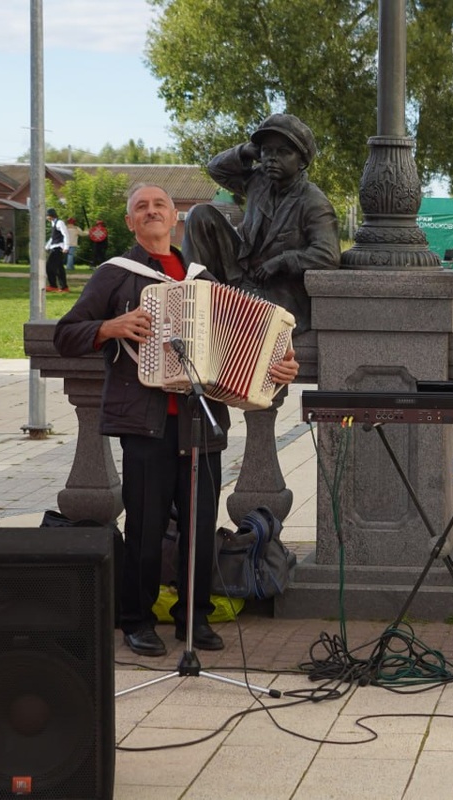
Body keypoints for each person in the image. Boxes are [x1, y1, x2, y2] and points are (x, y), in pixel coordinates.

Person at [53, 184, 299, 658]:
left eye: (159, 205)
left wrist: (280, 369)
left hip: (200, 422)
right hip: (145, 423)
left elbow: (239, 346)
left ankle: (194, 617)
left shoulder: (203, 279)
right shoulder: (115, 275)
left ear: (174, 217)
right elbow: (66, 333)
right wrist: (109, 327)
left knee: (200, 525)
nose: (151, 212)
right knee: (145, 528)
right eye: (141, 207)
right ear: (130, 223)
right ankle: (136, 619)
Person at [183, 113, 340, 335]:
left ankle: (226, 311)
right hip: (242, 274)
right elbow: (216, 169)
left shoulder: (313, 202)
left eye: (284, 152)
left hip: (278, 291)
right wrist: (246, 151)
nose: (272, 159)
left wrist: (282, 261)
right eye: (267, 151)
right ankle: (194, 296)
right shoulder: (258, 180)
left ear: (302, 162)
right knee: (200, 214)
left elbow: (328, 255)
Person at [44, 208, 70, 292]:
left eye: (47, 216)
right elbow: (53, 237)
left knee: (49, 266)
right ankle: (64, 287)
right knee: (59, 269)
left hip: (58, 248)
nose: (47, 218)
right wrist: (46, 247)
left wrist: (66, 247)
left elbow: (65, 235)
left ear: (51, 215)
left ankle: (53, 285)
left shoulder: (59, 223)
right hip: (55, 247)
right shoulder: (53, 223)